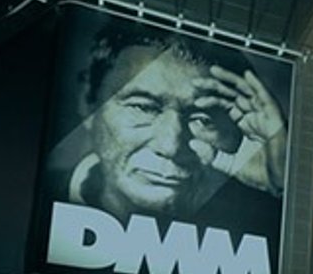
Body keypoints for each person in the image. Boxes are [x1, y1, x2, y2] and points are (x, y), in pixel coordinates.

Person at [64, 22, 289, 225]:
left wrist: (282, 185)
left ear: (238, 134)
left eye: (203, 120)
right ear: (88, 102)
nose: (170, 146)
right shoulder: (46, 195)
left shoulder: (261, 219)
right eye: (143, 108)